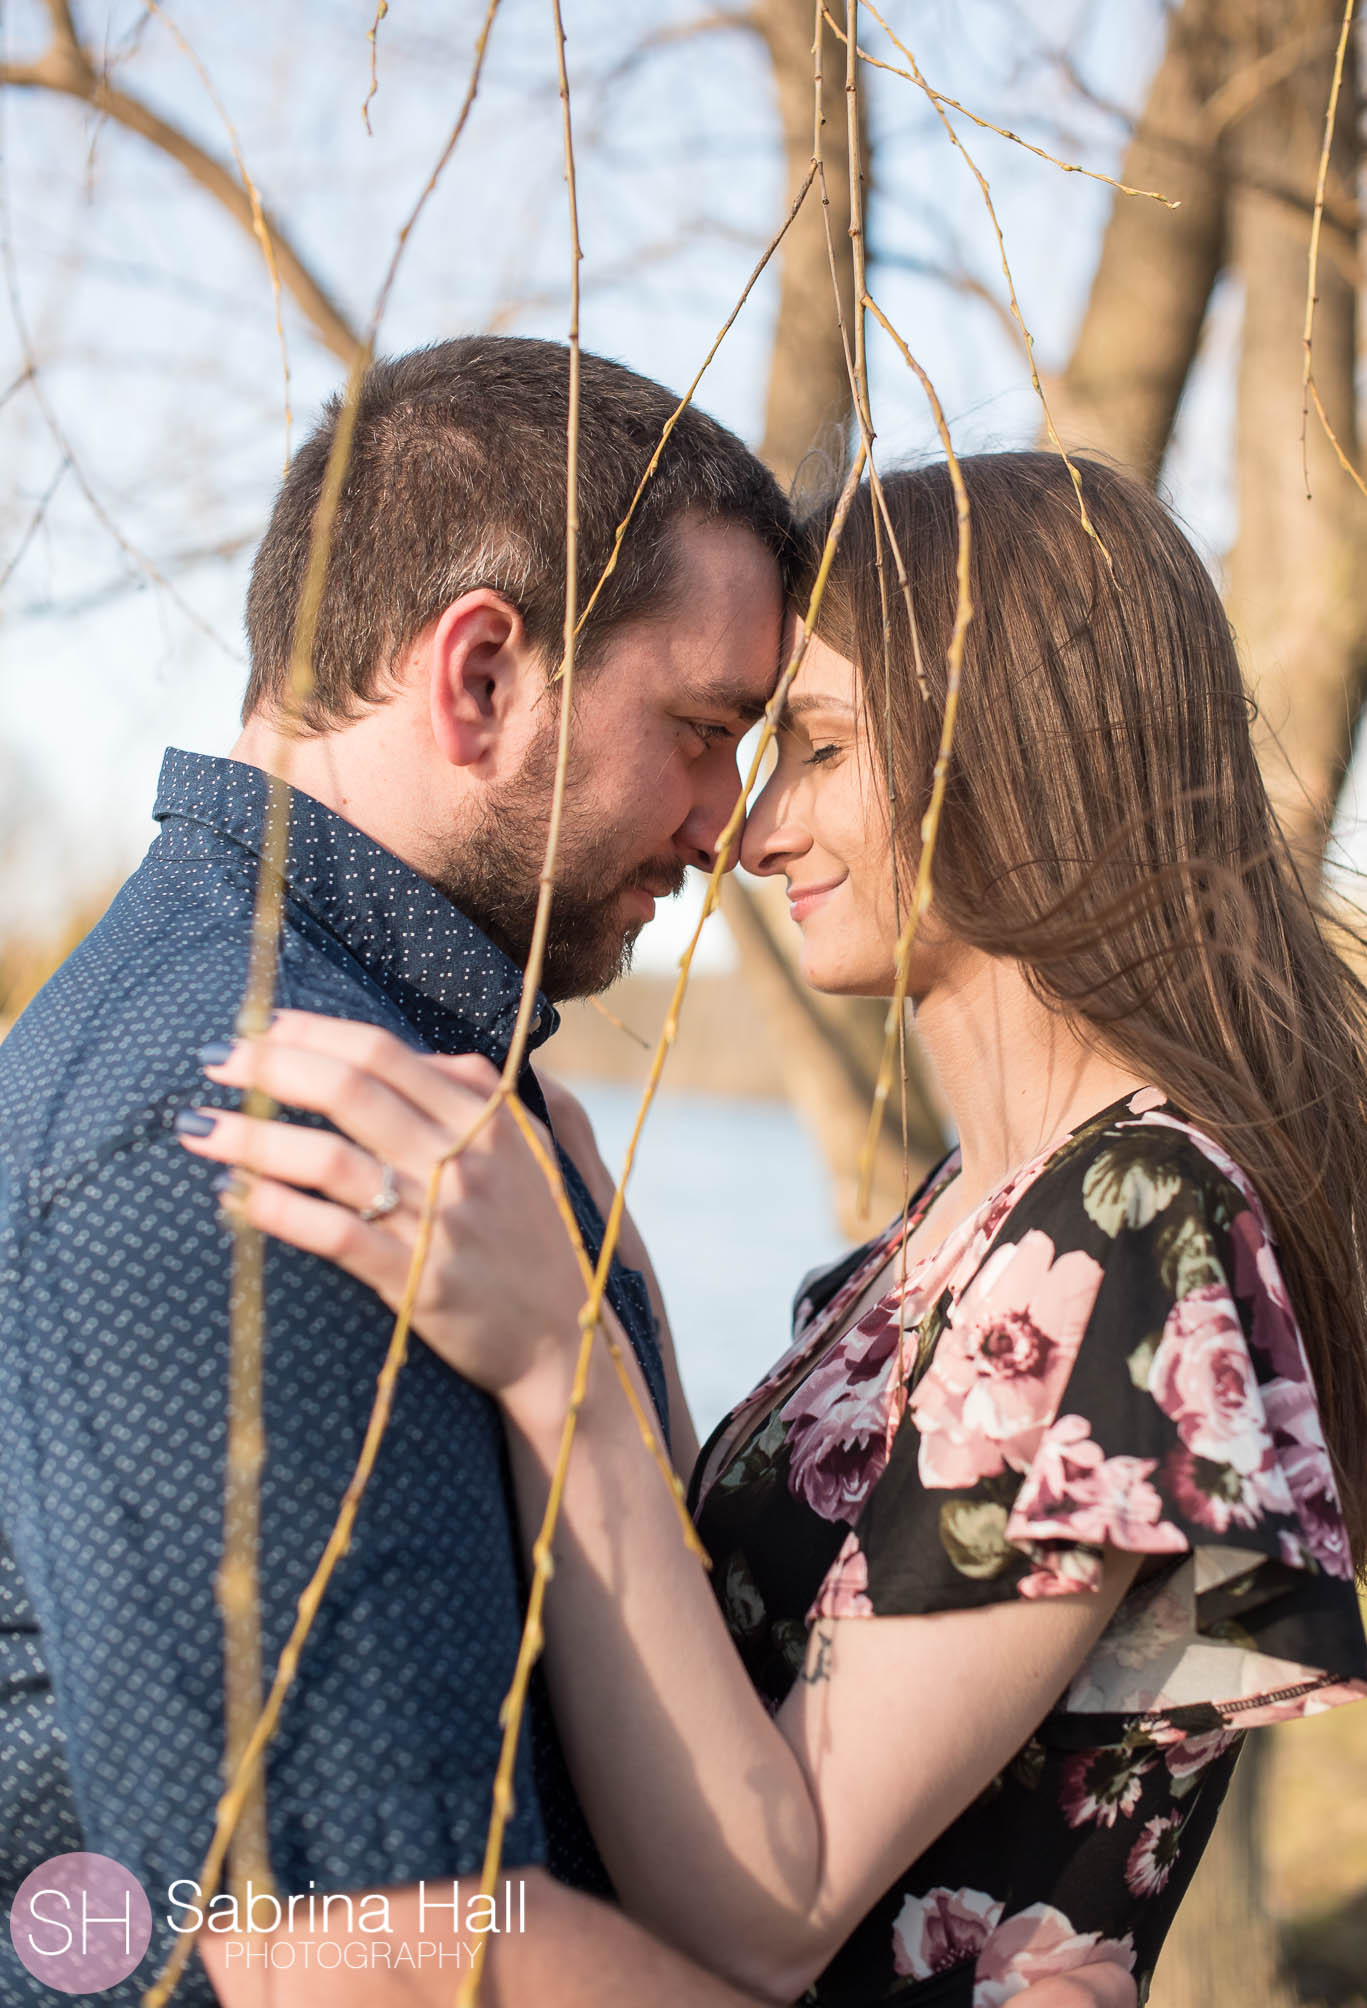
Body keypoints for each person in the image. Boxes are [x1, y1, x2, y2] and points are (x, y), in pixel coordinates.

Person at [0, 345, 1123, 2008]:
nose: (725, 822)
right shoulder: (263, 1123)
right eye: (701, 731)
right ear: (479, 677)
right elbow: (368, 1958)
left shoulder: (422, 1079)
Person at [183, 451, 1367, 2004]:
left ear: (1012, 748)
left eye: (813, 746)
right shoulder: (978, 1208)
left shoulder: (1138, 1222)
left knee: (345, 1936)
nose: (752, 833)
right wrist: (597, 1261)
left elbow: (774, 1898)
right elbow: (745, 1647)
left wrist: (562, 1363)